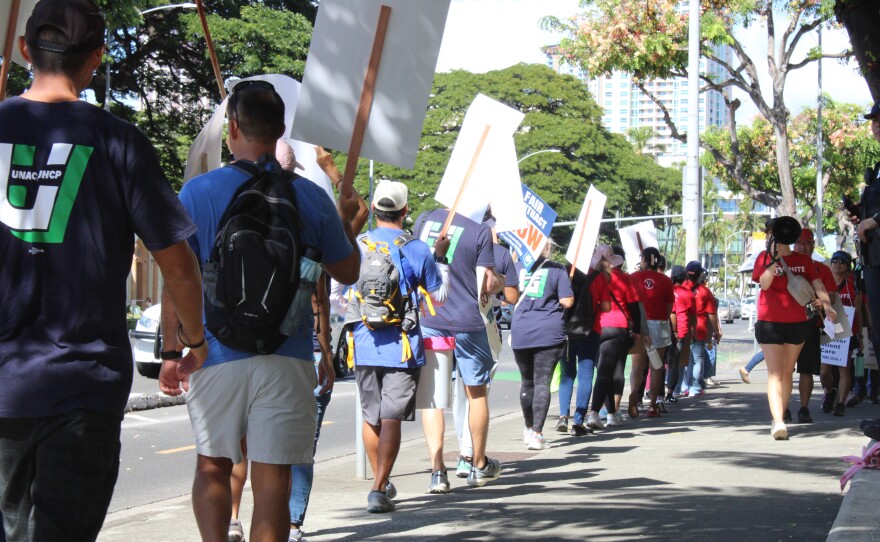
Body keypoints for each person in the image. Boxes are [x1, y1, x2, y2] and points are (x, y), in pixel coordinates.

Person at [0, 2, 206, 539]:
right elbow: (176, 262)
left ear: (25, 50)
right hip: (84, 385)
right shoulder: (119, 141)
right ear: (96, 59)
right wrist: (192, 340)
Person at [160, 80, 360, 541]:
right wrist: (348, 218)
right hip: (287, 354)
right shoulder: (311, 197)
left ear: (231, 128)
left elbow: (177, 279)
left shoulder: (198, 192)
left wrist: (173, 350)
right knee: (273, 479)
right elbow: (347, 271)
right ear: (281, 129)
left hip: (214, 353)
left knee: (213, 465)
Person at [345, 180, 449, 513]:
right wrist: (441, 259)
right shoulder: (415, 248)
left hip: (362, 343)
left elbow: (338, 294)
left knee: (371, 415)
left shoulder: (357, 244)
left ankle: (381, 482)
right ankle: (378, 487)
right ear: (405, 211)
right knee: (391, 418)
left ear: (374, 210)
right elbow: (440, 297)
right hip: (402, 346)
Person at [414, 208, 502, 491]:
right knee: (476, 392)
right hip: (468, 321)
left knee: (433, 397)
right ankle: (478, 465)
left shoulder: (425, 219)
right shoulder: (480, 232)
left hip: (430, 317)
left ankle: (438, 471)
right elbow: (486, 283)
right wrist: (500, 281)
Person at [752, 216, 836, 440]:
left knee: (787, 372)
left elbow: (817, 283)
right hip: (769, 322)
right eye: (771, 234)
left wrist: (827, 306)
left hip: (798, 323)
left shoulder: (804, 260)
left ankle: (779, 414)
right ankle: (778, 421)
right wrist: (773, 259)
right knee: (775, 372)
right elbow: (765, 283)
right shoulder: (763, 257)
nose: (774, 237)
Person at [511, 241, 574, 450]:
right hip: (548, 331)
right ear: (547, 247)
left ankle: (528, 428)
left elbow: (507, 299)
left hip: (521, 330)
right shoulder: (557, 269)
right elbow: (567, 301)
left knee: (526, 382)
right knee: (542, 382)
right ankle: (537, 433)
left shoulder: (517, 266)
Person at [587, 245, 641, 429]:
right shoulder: (625, 278)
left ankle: (611, 414)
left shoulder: (591, 277)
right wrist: (639, 330)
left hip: (596, 326)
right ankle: (594, 413)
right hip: (618, 327)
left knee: (604, 370)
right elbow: (634, 307)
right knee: (611, 370)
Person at [559, 250, 611, 436]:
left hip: (565, 330)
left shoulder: (564, 272)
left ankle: (563, 416)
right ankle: (578, 422)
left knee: (567, 374)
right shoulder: (598, 277)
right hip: (590, 330)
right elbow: (606, 306)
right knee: (586, 374)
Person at [792, 228, 837, 423]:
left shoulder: (822, 269)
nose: (803, 246)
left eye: (807, 243)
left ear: (813, 245)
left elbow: (832, 295)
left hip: (811, 323)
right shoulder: (785, 265)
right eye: (799, 243)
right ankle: (782, 408)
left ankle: (803, 408)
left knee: (807, 369)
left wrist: (823, 302)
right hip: (785, 322)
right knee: (783, 370)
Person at [630, 247, 675, 417]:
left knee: (637, 367)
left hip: (640, 325)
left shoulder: (633, 278)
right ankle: (653, 406)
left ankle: (635, 397)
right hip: (659, 325)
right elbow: (669, 307)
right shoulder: (665, 280)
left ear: (643, 260)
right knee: (656, 366)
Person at [824, 250, 862, 417]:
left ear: (847, 267)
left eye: (842, 262)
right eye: (835, 261)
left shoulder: (852, 285)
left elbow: (859, 312)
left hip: (846, 331)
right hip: (828, 330)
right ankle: (830, 392)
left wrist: (860, 336)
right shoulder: (824, 284)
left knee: (843, 369)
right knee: (824, 371)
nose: (838, 264)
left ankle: (840, 404)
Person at [667, 265, 696, 401]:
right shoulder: (689, 294)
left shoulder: (667, 290)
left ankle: (657, 392)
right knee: (675, 363)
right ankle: (670, 392)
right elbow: (692, 316)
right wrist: (693, 330)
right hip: (680, 332)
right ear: (684, 278)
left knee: (659, 362)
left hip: (664, 331)